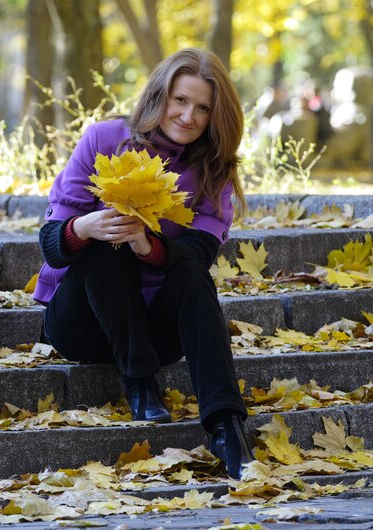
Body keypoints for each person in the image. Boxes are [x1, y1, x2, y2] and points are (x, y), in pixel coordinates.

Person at [33, 47, 253, 479]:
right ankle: (139, 382)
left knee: (190, 271)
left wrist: (146, 245)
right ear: (160, 96)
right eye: (180, 100)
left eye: (203, 108)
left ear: (216, 116)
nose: (188, 116)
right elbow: (50, 245)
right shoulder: (103, 139)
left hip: (158, 332)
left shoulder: (213, 169)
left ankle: (227, 426)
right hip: (83, 323)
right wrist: (87, 227)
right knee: (104, 238)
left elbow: (200, 253)